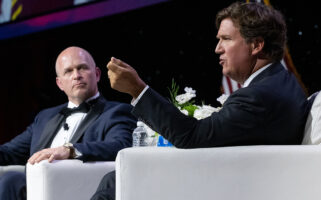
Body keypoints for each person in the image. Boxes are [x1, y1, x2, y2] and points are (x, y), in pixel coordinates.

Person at [91, 2, 309, 199]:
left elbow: (192, 136)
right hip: (238, 178)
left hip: (229, 186)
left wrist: (137, 89)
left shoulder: (260, 96)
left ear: (256, 45)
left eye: (226, 39)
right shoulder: (282, 83)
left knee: (114, 181)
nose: (217, 49)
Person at [0, 46, 137, 200]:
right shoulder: (45, 117)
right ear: (59, 83)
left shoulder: (116, 111)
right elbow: (9, 151)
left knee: (13, 180)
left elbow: (120, 146)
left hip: (70, 189)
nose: (76, 75)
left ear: (97, 74)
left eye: (82, 68)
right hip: (29, 189)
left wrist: (70, 150)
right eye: (68, 71)